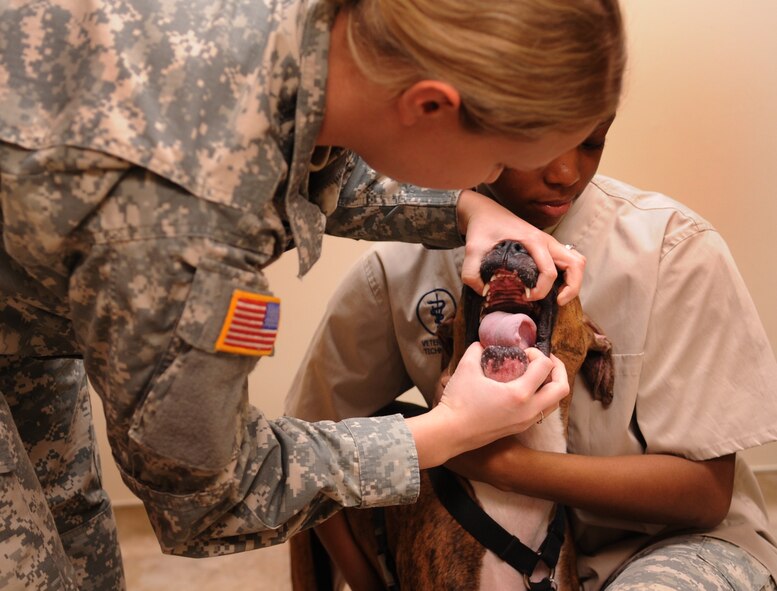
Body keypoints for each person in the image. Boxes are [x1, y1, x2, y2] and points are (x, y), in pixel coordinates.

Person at [0, 0, 627, 588]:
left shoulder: (335, 38)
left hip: (27, 305)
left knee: (72, 535)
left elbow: (317, 139)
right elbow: (210, 498)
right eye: (496, 161)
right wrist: (442, 433)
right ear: (431, 104)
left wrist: (463, 208)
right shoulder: (187, 225)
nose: (495, 180)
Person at [285, 115, 777, 590]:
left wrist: (487, 460)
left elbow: (707, 497)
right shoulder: (398, 267)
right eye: (539, 143)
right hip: (488, 541)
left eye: (592, 141)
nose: (566, 173)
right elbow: (313, 438)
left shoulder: (674, 248)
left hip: (671, 545)